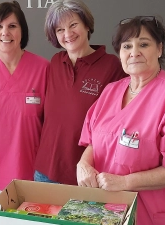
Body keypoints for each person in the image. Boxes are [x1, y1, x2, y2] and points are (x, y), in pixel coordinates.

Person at [76, 16, 165, 225]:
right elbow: (93, 141)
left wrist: (124, 182)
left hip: (154, 212)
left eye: (143, 44)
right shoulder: (111, 91)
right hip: (110, 208)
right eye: (127, 46)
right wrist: (83, 164)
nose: (134, 52)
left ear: (159, 49)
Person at [33, 0, 127, 185]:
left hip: (85, 175)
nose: (67, 34)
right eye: (59, 30)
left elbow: (123, 120)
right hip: (44, 171)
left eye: (73, 25)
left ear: (86, 24)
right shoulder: (56, 62)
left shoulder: (111, 66)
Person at [0, 1, 49, 199]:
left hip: (36, 172)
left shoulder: (43, 69)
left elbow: (52, 124)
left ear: (23, 31)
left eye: (12, 26)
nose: (5, 32)